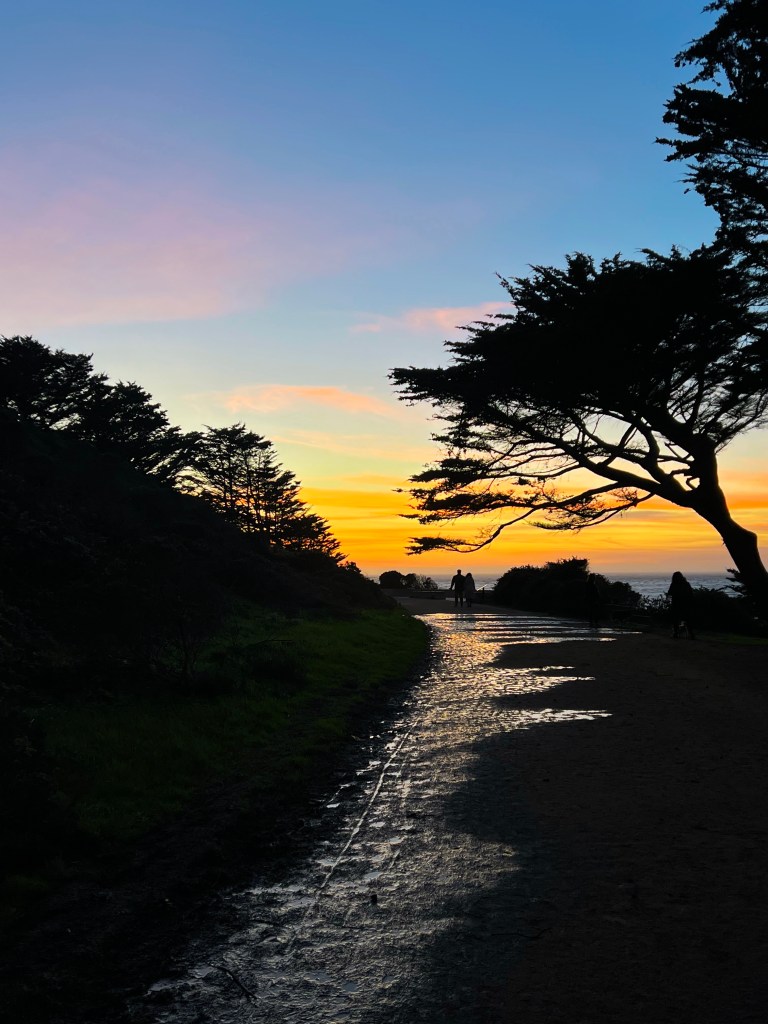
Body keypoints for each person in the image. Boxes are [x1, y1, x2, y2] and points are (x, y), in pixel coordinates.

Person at [667, 571, 695, 639]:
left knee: (675, 620)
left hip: (676, 604)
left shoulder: (674, 584)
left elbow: (669, 593)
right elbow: (691, 594)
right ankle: (691, 634)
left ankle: (676, 634)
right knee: (688, 620)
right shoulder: (686, 584)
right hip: (686, 604)